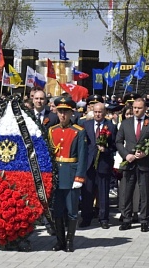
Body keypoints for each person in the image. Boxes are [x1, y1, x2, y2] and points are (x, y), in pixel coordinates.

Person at [116, 98, 149, 232]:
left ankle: (144, 220)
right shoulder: (125, 123)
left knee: (145, 193)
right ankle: (127, 219)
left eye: (139, 108)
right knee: (127, 192)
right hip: (129, 163)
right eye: (135, 107)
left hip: (144, 163)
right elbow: (118, 141)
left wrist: (146, 153)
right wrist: (126, 155)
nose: (136, 110)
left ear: (145, 109)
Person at [49, 97, 87, 252]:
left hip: (71, 175)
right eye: (60, 111)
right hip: (56, 176)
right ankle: (60, 241)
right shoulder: (52, 130)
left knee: (71, 211)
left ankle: (70, 241)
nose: (62, 115)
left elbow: (82, 156)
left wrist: (79, 177)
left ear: (72, 113)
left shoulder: (78, 131)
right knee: (57, 211)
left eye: (66, 112)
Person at [80, 102, 117, 229]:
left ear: (104, 113)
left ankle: (104, 218)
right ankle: (86, 217)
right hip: (89, 164)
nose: (97, 114)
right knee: (87, 193)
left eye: (100, 112)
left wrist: (105, 150)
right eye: (95, 112)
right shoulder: (85, 125)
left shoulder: (111, 127)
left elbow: (114, 146)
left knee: (103, 193)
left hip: (103, 164)